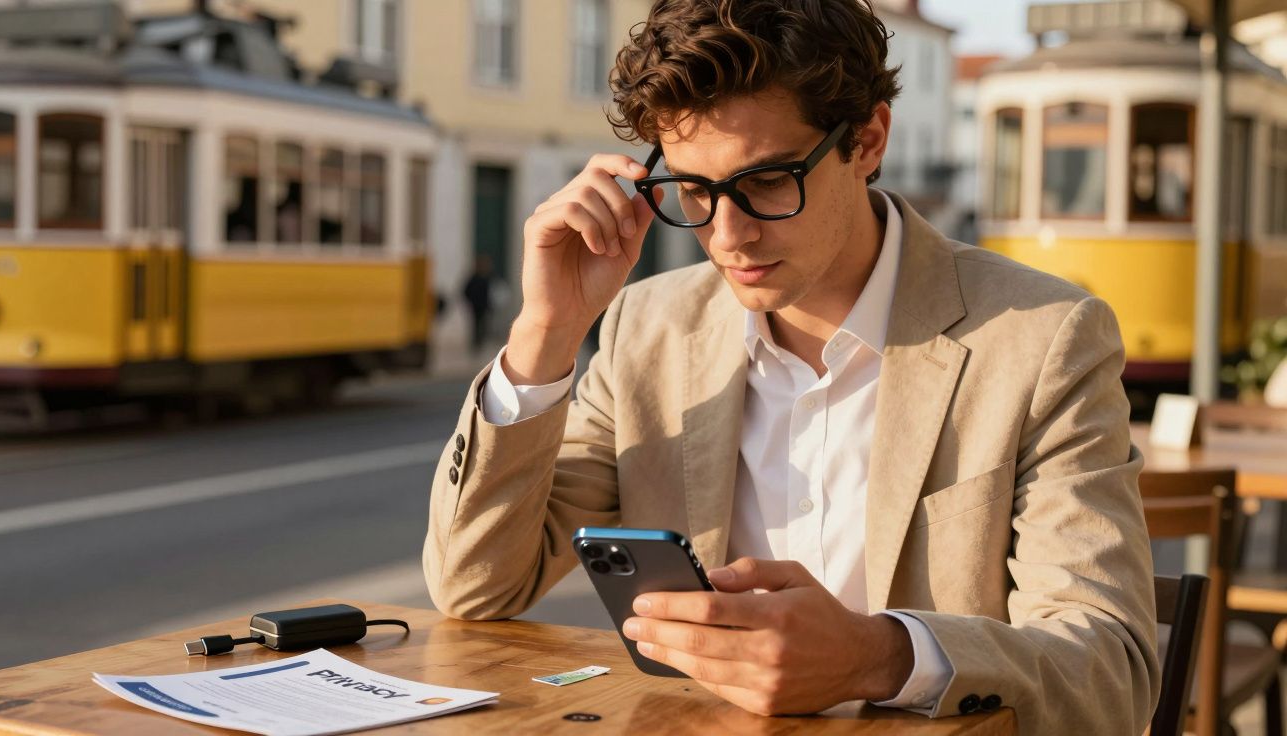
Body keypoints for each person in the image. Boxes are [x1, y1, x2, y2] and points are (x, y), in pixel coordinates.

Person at [422, 1, 1158, 733]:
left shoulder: (1042, 338)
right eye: (694, 190)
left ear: (867, 140)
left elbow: (1111, 673)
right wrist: (545, 332)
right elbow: (476, 587)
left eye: (768, 182)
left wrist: (881, 657)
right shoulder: (648, 328)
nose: (727, 236)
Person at [461, 255, 495, 354]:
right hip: (476, 306)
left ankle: (480, 342)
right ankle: (476, 344)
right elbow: (466, 291)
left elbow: (489, 293)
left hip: (484, 306)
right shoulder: (474, 278)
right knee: (476, 325)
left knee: (483, 325)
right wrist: (471, 301)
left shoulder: (487, 278)